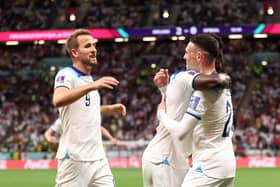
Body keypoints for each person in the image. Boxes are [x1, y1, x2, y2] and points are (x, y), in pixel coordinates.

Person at [142, 36, 231, 187]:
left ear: (199, 55)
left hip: (171, 159)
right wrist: (225, 79)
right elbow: (214, 82)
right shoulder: (188, 78)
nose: (184, 57)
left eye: (186, 52)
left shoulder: (190, 80)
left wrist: (163, 90)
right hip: (166, 158)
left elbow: (174, 103)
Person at [52, 29, 126, 187]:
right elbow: (58, 99)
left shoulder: (89, 80)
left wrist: (109, 109)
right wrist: (93, 86)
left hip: (98, 158)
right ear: (75, 52)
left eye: (94, 45)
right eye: (87, 46)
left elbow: (87, 109)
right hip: (74, 159)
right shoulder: (66, 74)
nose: (94, 49)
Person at [44, 117, 118, 145]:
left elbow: (100, 128)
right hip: (68, 153)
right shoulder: (61, 121)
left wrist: (111, 138)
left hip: (85, 151)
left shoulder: (85, 118)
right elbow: (47, 133)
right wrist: (49, 137)